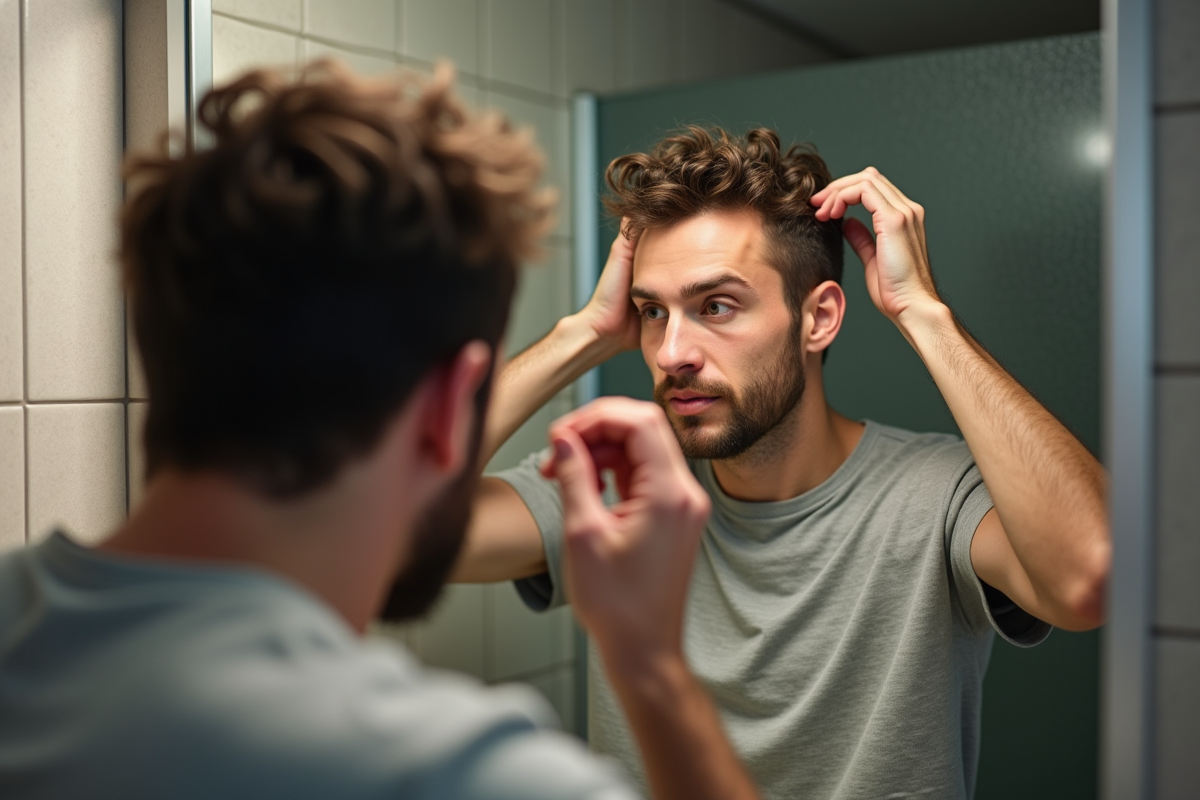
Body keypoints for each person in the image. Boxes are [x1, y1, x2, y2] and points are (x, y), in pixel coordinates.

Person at [0, 65, 762, 800]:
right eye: (654, 313)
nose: (672, 350)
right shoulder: (463, 778)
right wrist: (653, 668)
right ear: (450, 406)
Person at [454, 127, 1112, 800]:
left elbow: (1090, 576)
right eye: (654, 312)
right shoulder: (617, 487)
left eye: (716, 305)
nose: (671, 351)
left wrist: (925, 315)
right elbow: (389, 536)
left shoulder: (935, 496)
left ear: (818, 317)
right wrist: (583, 333)